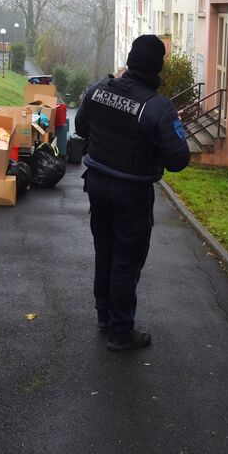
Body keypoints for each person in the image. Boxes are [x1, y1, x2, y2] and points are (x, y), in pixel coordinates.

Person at [77, 34, 190, 352]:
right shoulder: (157, 107)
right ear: (158, 67)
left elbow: (81, 127)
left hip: (96, 184)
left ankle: (104, 316)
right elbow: (179, 160)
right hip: (132, 192)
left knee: (105, 252)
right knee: (127, 260)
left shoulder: (99, 90)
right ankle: (121, 331)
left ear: (130, 59)